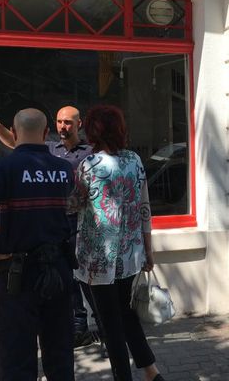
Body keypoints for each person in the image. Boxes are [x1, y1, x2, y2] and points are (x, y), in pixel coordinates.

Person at [0, 109, 75, 381]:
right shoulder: (64, 169)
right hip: (58, 271)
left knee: (15, 359)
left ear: (14, 130)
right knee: (60, 354)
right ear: (47, 133)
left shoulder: (1, 169)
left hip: (16, 276)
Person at [0, 105, 102, 349]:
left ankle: (104, 327)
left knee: (89, 279)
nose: (63, 127)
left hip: (82, 226)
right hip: (53, 230)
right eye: (59, 121)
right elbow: (17, 141)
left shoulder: (91, 153)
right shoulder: (49, 148)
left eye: (68, 123)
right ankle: (78, 327)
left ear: (79, 125)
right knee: (69, 284)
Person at [70, 104, 165, 381]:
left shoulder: (89, 165)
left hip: (97, 261)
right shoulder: (135, 161)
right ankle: (152, 373)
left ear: (92, 131)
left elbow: (74, 204)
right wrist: (148, 251)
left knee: (110, 325)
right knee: (127, 316)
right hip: (130, 256)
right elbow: (145, 208)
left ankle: (125, 376)